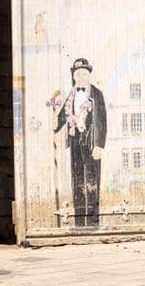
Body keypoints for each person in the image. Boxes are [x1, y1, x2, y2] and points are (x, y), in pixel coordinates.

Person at [53, 58, 107, 226]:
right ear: (74, 76)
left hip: (91, 141)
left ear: (89, 75)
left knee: (92, 179)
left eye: (84, 73)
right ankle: (79, 221)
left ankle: (92, 221)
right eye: (78, 74)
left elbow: (101, 120)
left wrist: (99, 145)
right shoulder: (71, 94)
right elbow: (63, 115)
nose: (81, 77)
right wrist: (55, 124)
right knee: (77, 179)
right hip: (75, 140)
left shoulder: (96, 94)